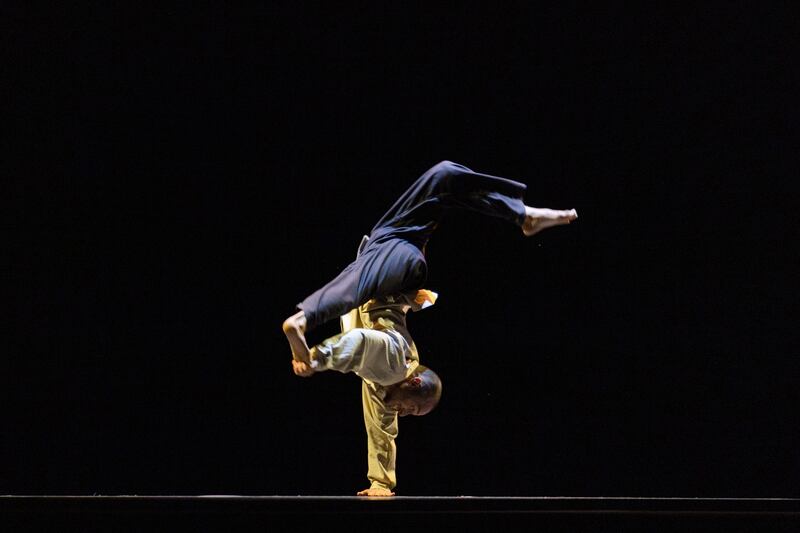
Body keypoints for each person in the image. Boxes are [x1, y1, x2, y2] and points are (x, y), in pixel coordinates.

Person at [281, 160, 578, 497]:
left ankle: (523, 216)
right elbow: (360, 342)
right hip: (400, 264)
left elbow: (382, 434)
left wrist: (381, 483)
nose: (404, 412)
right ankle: (304, 319)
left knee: (443, 176)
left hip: (386, 238)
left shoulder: (382, 390)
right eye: (412, 407)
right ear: (414, 380)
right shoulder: (395, 365)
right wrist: (316, 358)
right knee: (354, 284)